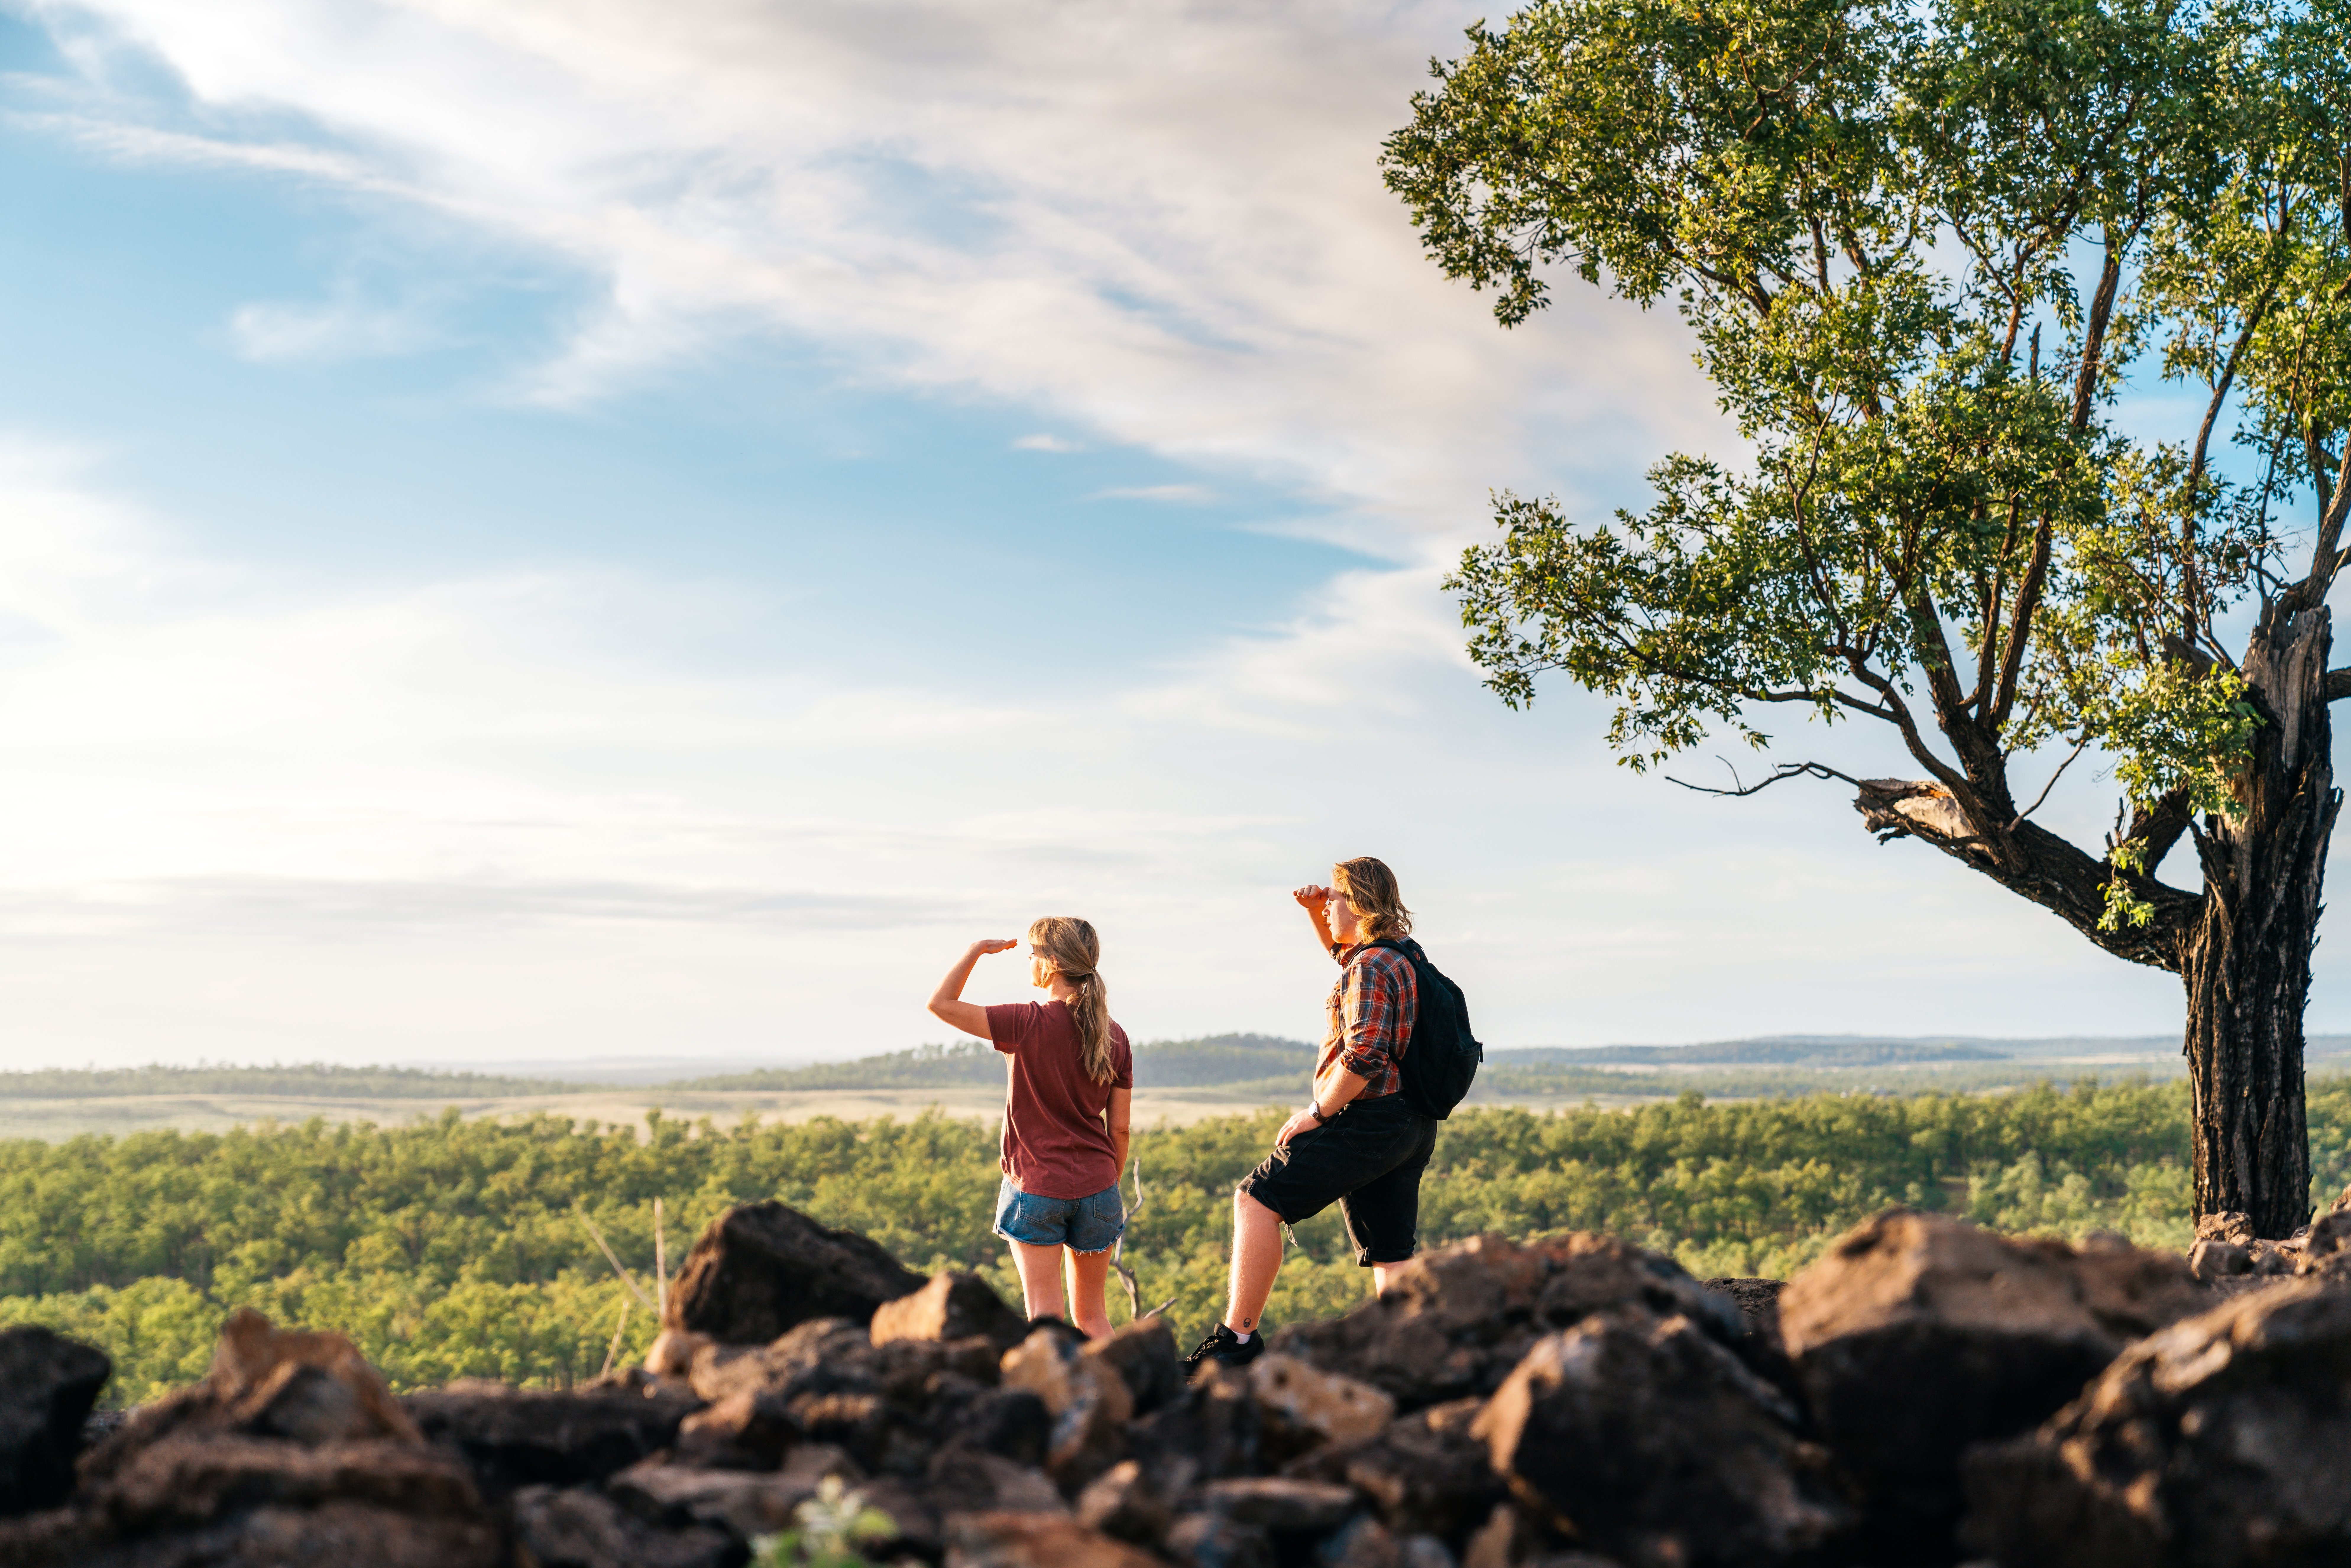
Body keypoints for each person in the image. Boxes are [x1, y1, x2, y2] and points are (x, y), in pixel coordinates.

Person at [1186, 856, 1438, 1369]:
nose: (1328, 908)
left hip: (1370, 1119)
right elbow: (1345, 963)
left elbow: (1365, 1054)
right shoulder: (1401, 956)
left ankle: (1238, 1340)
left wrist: (1318, 1113)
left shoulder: (1370, 965)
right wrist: (1314, 913)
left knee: (1257, 1198)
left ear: (1361, 904)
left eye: (1336, 899)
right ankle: (1407, 1354)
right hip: (1411, 1123)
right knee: (1389, 1250)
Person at [928, 916, 1134, 1339]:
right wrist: (1106, 1185)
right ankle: (1123, 1396)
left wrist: (974, 952)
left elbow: (941, 1004)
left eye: (1034, 953)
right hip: (1099, 1189)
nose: (1029, 961)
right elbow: (1121, 1132)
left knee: (1046, 1318)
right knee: (1093, 1317)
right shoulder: (1115, 1037)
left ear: (1053, 963)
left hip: (1037, 1187)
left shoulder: (1025, 1023)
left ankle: (1056, 1401)